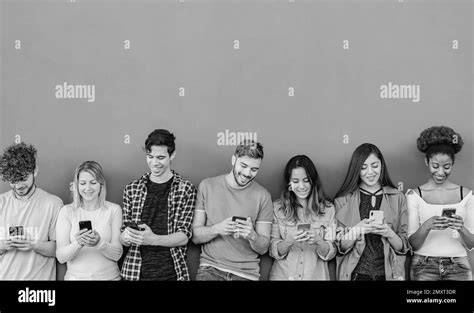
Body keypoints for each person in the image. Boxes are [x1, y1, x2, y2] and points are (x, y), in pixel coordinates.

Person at [120, 129, 197, 281]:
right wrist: (126, 236)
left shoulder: (186, 189)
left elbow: (184, 236)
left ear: (172, 155)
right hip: (134, 273)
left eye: (161, 157)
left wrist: (152, 239)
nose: (155, 163)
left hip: (172, 273)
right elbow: (123, 237)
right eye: (150, 157)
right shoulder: (131, 189)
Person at [192, 140, 273, 281]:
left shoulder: (263, 196)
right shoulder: (207, 186)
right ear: (233, 159)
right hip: (211, 268)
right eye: (243, 166)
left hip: (246, 274)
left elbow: (264, 248)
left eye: (254, 169)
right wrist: (218, 229)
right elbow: (195, 237)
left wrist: (252, 236)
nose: (247, 173)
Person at [407, 126, 474, 281]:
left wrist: (461, 228)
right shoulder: (414, 195)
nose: (441, 172)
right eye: (435, 166)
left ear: (453, 164)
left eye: (447, 167)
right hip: (423, 266)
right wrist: (427, 225)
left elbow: (471, 244)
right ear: (426, 162)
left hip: (459, 266)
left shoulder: (468, 195)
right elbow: (413, 245)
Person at [334, 143, 409, 281]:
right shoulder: (343, 200)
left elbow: (403, 247)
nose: (370, 172)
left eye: (375, 166)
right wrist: (357, 229)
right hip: (355, 274)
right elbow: (341, 247)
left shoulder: (398, 197)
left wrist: (389, 233)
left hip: (389, 274)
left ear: (382, 165)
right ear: (356, 169)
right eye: (363, 167)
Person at [0, 142, 63, 280]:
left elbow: (60, 251)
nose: (18, 186)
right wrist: (3, 246)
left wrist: (33, 245)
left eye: (22, 179)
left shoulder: (53, 204)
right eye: (12, 180)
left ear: (34, 171)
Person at [269, 155, 336, 280]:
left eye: (306, 180)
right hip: (283, 276)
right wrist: (288, 241)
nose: (302, 186)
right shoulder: (277, 208)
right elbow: (273, 251)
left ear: (313, 180)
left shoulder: (328, 209)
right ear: (289, 183)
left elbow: (331, 252)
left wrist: (318, 241)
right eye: (295, 182)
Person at [56, 161, 123, 280]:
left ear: (101, 184)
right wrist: (78, 243)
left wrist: (100, 243)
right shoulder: (66, 211)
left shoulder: (114, 210)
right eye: (82, 183)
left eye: (93, 182)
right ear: (76, 185)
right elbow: (61, 257)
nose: (88, 188)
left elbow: (117, 254)